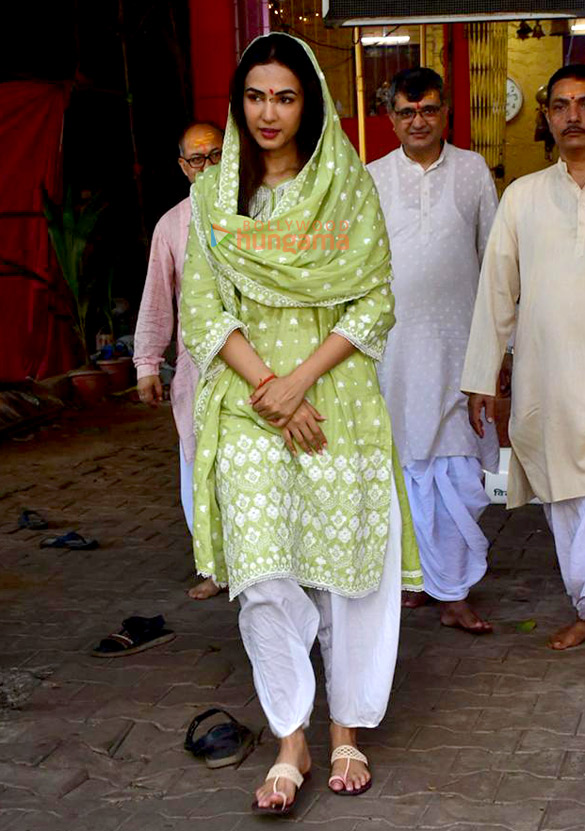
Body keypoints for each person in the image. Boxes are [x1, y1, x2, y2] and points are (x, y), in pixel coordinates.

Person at [180, 32, 422, 813]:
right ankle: (291, 735)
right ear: (237, 102)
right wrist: (269, 387)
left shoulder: (343, 185)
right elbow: (203, 308)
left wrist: (302, 382)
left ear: (307, 102)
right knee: (262, 573)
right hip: (251, 403)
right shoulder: (212, 195)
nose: (268, 112)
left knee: (348, 565)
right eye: (254, 97)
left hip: (335, 395)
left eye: (285, 96)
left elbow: (375, 299)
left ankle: (346, 726)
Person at [368, 68, 499, 633]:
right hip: (393, 353)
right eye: (406, 112)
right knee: (404, 469)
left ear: (446, 113)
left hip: (460, 350)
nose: (418, 121)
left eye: (428, 110)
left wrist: (501, 353)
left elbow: (495, 262)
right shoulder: (371, 178)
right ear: (391, 118)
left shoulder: (472, 172)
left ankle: (456, 592)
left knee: (458, 472)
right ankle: (417, 579)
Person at [462, 64, 585, 651]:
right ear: (547, 118)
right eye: (560, 105)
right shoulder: (524, 197)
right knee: (563, 495)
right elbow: (495, 291)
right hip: (552, 377)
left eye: (583, 103)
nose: (573, 116)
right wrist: (484, 375)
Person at [133, 122, 224, 600]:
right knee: (197, 463)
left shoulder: (258, 211)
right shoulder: (172, 225)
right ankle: (213, 565)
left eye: (215, 155)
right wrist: (147, 363)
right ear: (183, 167)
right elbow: (156, 300)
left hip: (258, 366)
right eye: (197, 159)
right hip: (197, 370)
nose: (207, 166)